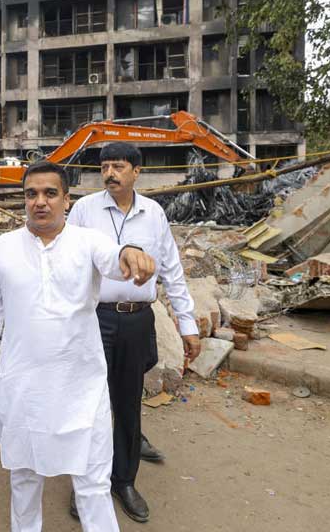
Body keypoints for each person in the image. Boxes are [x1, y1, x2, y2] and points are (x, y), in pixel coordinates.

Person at [0, 160, 156, 532]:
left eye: (50, 193)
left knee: (92, 486)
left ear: (66, 200)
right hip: (23, 388)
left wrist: (131, 252)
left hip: (80, 390)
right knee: (24, 482)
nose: (40, 202)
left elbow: (114, 257)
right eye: (31, 194)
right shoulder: (6, 247)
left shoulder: (87, 241)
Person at [66, 143, 200, 523]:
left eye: (119, 167)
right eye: (105, 167)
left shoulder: (154, 214)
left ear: (136, 171)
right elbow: (68, 263)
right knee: (89, 404)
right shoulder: (84, 211)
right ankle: (86, 486)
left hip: (137, 318)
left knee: (127, 404)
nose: (110, 173)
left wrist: (187, 325)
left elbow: (172, 271)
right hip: (94, 318)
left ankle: (123, 480)